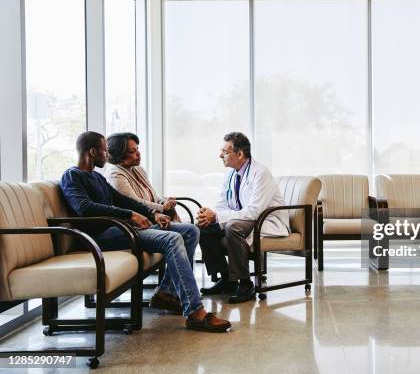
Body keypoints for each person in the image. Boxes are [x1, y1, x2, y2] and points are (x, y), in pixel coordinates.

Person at [60, 131, 230, 333]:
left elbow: (123, 200)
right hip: (100, 237)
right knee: (172, 239)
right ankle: (195, 311)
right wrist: (130, 215)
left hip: (120, 230)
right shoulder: (72, 176)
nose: (107, 155)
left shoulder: (96, 176)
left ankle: (167, 294)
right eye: (105, 151)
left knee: (190, 231)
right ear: (92, 151)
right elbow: (84, 207)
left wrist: (152, 213)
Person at [198, 132, 290, 304]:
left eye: (224, 152)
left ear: (239, 154)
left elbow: (255, 211)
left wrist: (218, 216)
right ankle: (227, 280)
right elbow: (223, 204)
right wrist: (209, 216)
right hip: (244, 218)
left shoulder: (260, 173)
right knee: (202, 228)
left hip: (266, 220)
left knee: (233, 227)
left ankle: (246, 284)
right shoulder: (231, 174)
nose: (220, 155)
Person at [104, 132, 180, 221]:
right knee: (191, 230)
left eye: (137, 149)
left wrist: (166, 202)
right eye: (132, 151)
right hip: (140, 223)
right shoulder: (115, 175)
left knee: (191, 229)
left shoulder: (138, 169)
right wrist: (163, 207)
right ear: (119, 155)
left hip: (156, 218)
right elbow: (135, 203)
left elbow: (154, 198)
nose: (138, 153)